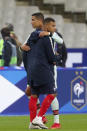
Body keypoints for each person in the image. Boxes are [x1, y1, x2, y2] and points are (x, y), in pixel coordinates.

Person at [22, 13, 62, 129]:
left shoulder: (32, 37)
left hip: (31, 70)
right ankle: (39, 118)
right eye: (52, 25)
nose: (31, 22)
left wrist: (28, 69)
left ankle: (32, 122)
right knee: (52, 94)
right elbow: (52, 58)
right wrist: (57, 58)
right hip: (44, 70)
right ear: (45, 24)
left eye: (33, 20)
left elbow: (24, 51)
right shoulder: (46, 38)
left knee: (33, 95)